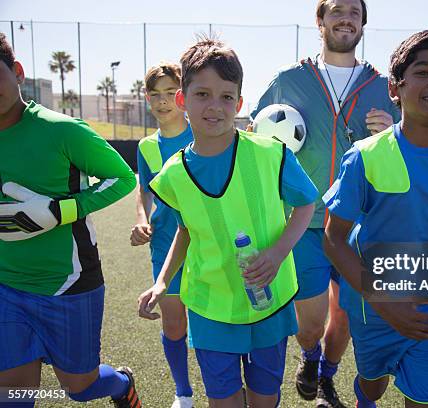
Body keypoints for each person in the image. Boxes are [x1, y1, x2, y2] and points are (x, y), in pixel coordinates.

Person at [137, 37, 317, 408]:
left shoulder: (271, 153)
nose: (215, 106)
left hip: (270, 302)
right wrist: (161, 282)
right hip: (210, 307)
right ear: (183, 100)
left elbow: (305, 205)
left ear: (239, 102)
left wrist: (278, 252)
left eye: (226, 96)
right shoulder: (173, 174)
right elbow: (187, 229)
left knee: (265, 399)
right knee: (223, 401)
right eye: (202, 94)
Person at [323, 30, 428, 408]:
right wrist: (383, 303)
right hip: (371, 310)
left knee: (425, 399)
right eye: (423, 71)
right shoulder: (365, 155)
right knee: (373, 383)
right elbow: (333, 239)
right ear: (395, 89)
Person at [250, 1, 399, 405]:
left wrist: (392, 133)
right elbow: (253, 136)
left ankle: (327, 376)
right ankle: (310, 356)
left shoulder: (384, 87)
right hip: (307, 222)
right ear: (320, 21)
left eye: (354, 11)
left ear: (363, 23)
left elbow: (407, 149)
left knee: (346, 318)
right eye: (336, 10)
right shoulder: (288, 80)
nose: (345, 17)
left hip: (359, 223)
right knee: (311, 323)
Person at [0, 33, 140, 407]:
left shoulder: (61, 130)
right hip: (7, 285)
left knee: (79, 388)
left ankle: (122, 383)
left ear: (16, 71)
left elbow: (122, 178)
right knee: (13, 394)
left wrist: (62, 210)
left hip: (69, 282)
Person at [130, 62, 194, 408]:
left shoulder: (202, 134)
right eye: (155, 95)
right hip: (165, 244)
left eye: (170, 93)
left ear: (182, 95)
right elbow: (144, 191)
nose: (163, 101)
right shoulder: (145, 148)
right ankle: (183, 393)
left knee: (213, 321)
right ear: (147, 99)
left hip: (206, 243)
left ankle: (228, 387)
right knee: (173, 323)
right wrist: (142, 220)